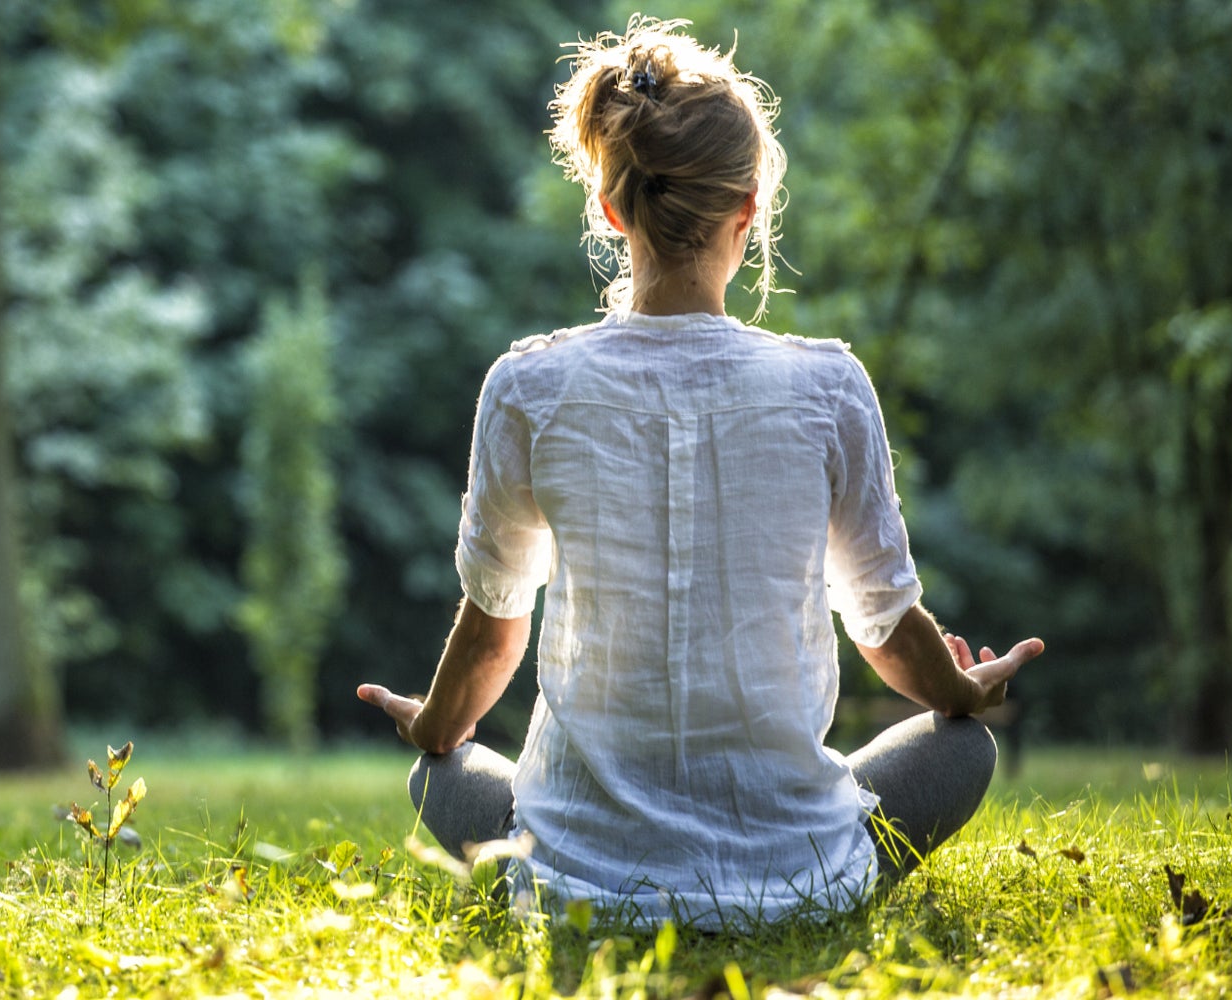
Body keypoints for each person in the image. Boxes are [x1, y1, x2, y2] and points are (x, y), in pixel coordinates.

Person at [354, 18, 1044, 928]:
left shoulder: (527, 387)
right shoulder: (827, 386)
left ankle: (564, 857)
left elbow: (492, 637)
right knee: (963, 754)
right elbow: (883, 627)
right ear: (748, 209)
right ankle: (805, 882)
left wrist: (435, 727)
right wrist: (962, 691)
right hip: (795, 878)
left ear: (611, 209)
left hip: (577, 888)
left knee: (436, 773)